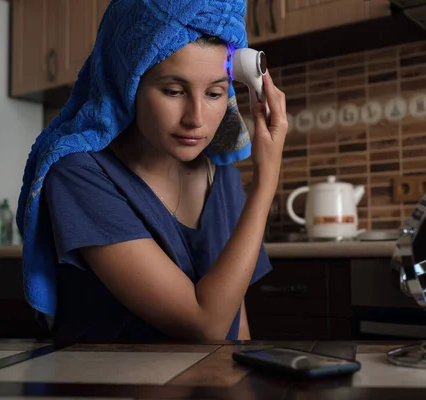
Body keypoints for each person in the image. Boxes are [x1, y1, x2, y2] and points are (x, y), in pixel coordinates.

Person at [15, 0, 288, 342]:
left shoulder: (221, 173)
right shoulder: (78, 175)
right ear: (126, 83)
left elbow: (235, 317)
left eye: (215, 92)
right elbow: (205, 325)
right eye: (173, 91)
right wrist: (266, 181)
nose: (196, 119)